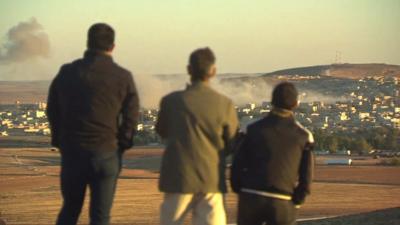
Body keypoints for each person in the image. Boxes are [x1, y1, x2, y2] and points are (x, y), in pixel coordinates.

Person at [46, 23, 139, 225]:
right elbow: (131, 115)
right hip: (106, 153)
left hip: (73, 152)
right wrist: (122, 145)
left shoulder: (67, 72)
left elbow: (52, 109)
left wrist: (60, 141)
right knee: (100, 216)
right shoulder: (122, 76)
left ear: (87, 44)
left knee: (70, 211)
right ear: (112, 46)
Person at [156, 47, 239, 225]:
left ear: (189, 70)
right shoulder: (224, 104)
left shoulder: (170, 101)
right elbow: (231, 142)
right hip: (211, 180)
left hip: (178, 178)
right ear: (213, 71)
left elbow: (162, 132)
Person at [231, 82, 314, 225]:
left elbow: (237, 163)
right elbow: (306, 176)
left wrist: (240, 188)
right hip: (283, 200)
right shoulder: (304, 136)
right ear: (295, 104)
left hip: (251, 196)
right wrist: (297, 200)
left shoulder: (251, 129)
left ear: (272, 102)